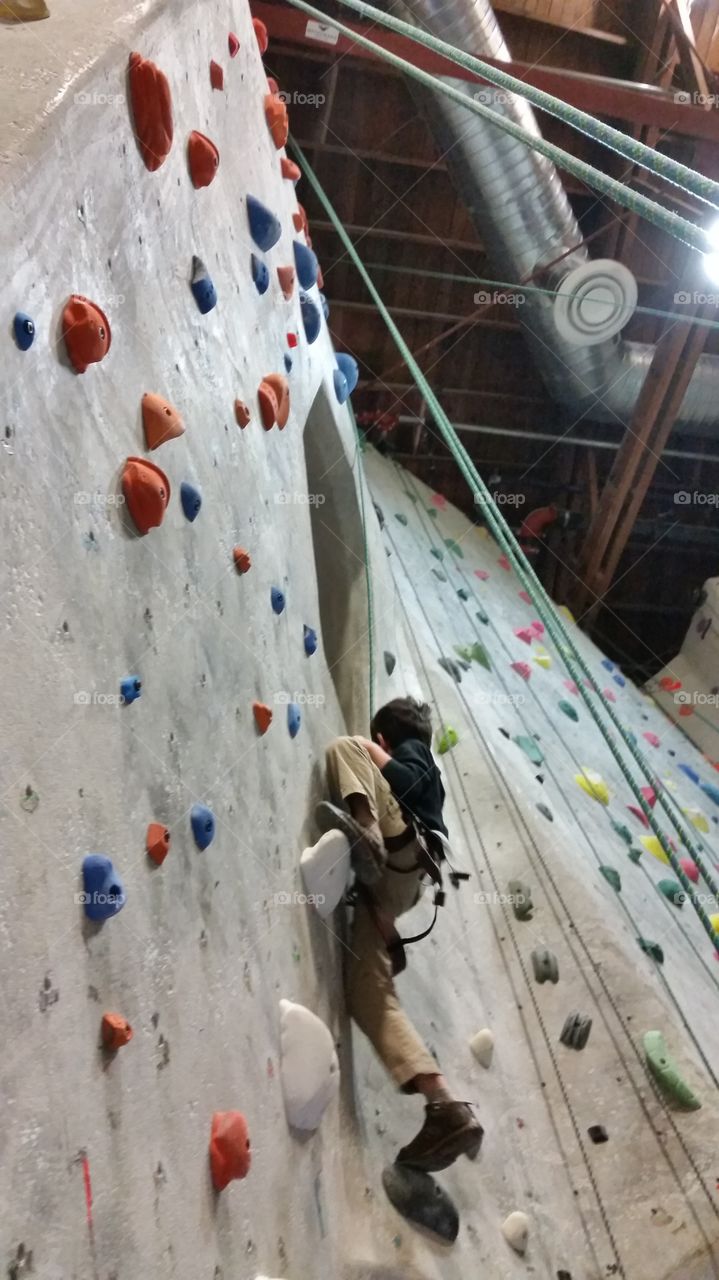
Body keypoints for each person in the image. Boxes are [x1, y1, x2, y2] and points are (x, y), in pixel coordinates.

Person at [316, 697, 483, 1172]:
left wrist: (371, 750)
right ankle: (443, 1106)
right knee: (368, 991)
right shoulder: (420, 764)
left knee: (345, 747)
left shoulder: (420, 759)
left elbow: (404, 783)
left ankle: (364, 830)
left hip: (401, 845)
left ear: (389, 738)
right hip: (397, 885)